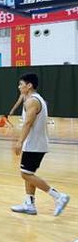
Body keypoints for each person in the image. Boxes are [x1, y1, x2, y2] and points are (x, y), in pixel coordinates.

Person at [10, 73, 70, 216]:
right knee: (28, 173)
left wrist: (19, 141)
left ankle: (59, 197)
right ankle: (29, 204)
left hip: (34, 144)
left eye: (21, 84)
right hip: (35, 144)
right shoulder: (35, 99)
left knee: (25, 174)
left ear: (29, 85)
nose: (19, 87)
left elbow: (28, 123)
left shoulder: (32, 101)